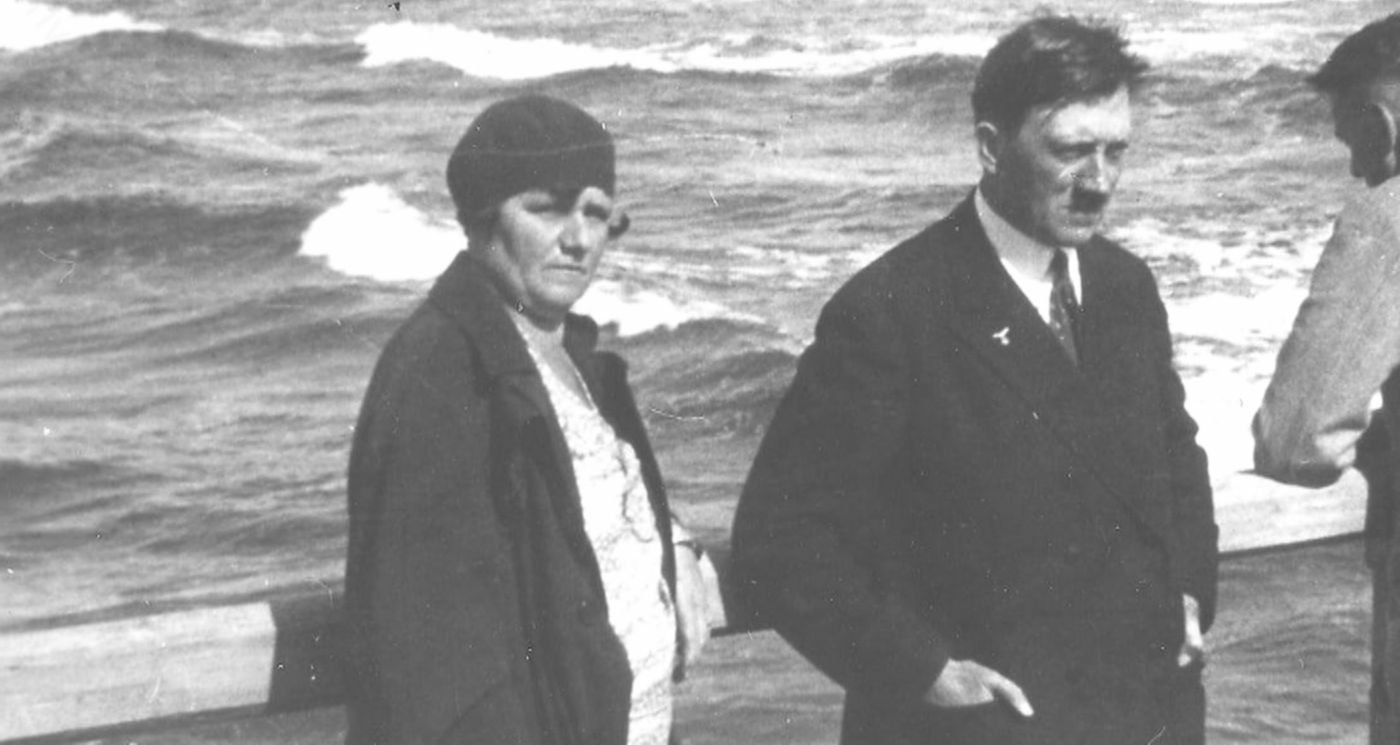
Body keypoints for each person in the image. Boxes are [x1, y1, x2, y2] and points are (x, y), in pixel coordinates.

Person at [730, 14, 1219, 745]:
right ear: (991, 147)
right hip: (981, 726)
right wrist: (921, 671)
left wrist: (1189, 592)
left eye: (1116, 150)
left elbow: (1177, 459)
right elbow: (780, 538)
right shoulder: (891, 310)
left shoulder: (1126, 287)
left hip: (1146, 715)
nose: (1100, 182)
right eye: (1071, 151)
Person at [343, 94, 711, 745]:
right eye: (547, 208)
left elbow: (580, 505)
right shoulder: (442, 374)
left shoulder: (567, 352)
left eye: (596, 213)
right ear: (483, 218)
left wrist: (673, 543)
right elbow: (433, 669)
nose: (579, 238)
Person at [1252, 12, 1400, 744]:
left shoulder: (1391, 219)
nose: (1354, 169)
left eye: (1353, 141)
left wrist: (1377, 446)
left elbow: (1297, 440)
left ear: (1383, 122)